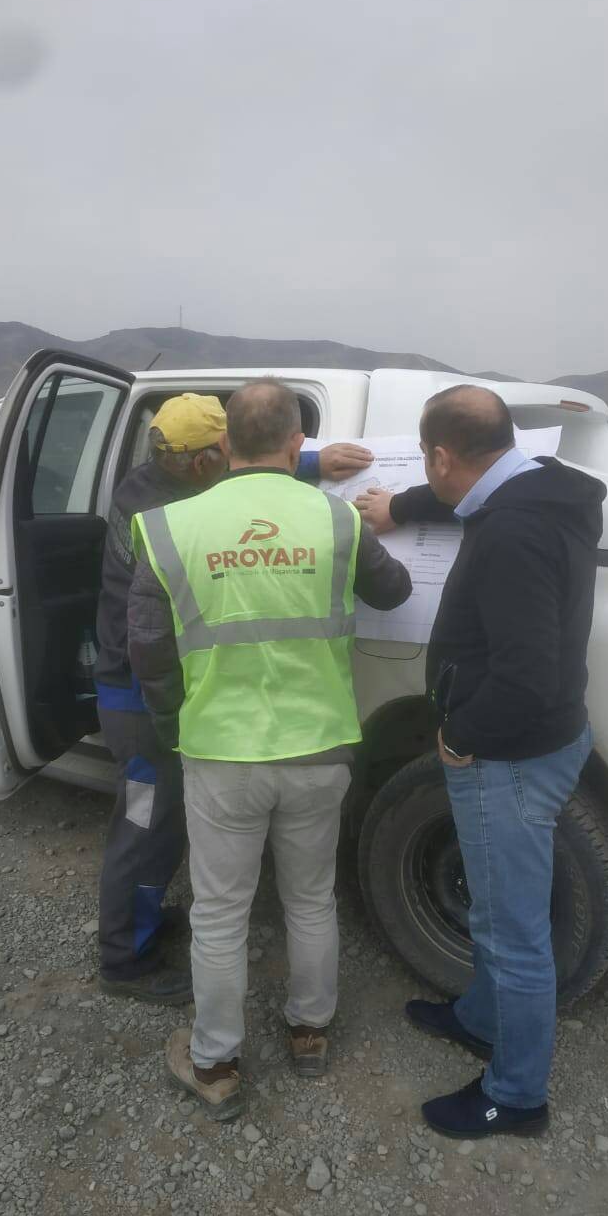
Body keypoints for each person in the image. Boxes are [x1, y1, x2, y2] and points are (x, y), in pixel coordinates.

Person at [127, 378, 411, 1120]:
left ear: (223, 446)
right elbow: (394, 592)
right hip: (319, 746)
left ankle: (215, 1061)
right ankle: (310, 1032)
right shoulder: (337, 522)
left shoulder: (165, 527)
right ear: (297, 444)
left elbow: (149, 654)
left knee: (220, 912)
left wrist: (175, 728)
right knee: (310, 897)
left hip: (220, 750)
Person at [357, 385, 606, 1140]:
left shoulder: (511, 536)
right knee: (505, 915)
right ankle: (479, 1017)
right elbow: (470, 499)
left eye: (431, 470)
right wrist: (403, 507)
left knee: (511, 932)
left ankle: (517, 1095)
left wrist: (463, 735)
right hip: (548, 738)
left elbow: (526, 674)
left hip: (508, 756)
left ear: (442, 455)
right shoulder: (538, 493)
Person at [95, 392, 374, 1003]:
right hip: (136, 694)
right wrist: (302, 461)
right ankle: (121, 957)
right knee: (143, 823)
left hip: (169, 694)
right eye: (219, 449)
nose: (227, 454)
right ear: (204, 461)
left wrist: (308, 459)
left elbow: (242, 479)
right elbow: (236, 494)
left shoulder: (166, 481)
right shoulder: (156, 508)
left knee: (166, 822)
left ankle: (146, 922)